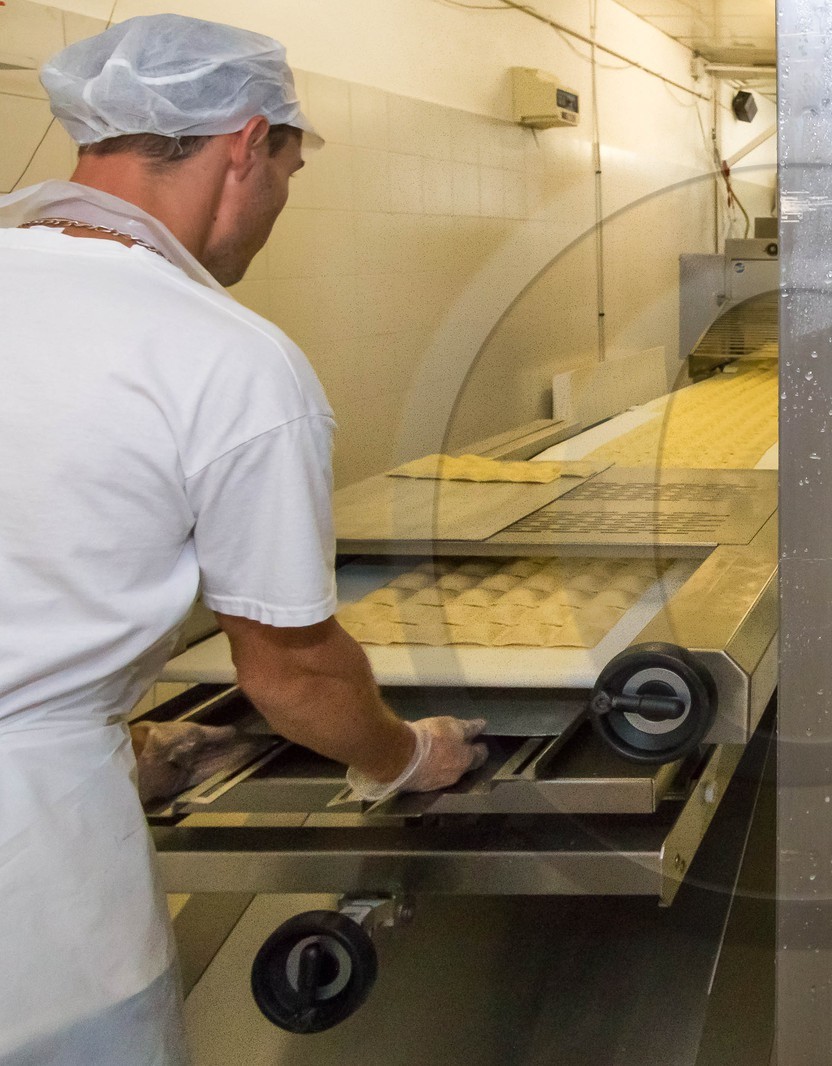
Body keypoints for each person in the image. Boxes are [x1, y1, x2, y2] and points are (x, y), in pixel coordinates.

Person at [0, 16, 487, 1065]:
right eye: (289, 173)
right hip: (33, 894)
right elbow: (292, 672)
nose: (275, 207)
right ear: (246, 143)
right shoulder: (223, 354)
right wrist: (407, 754)